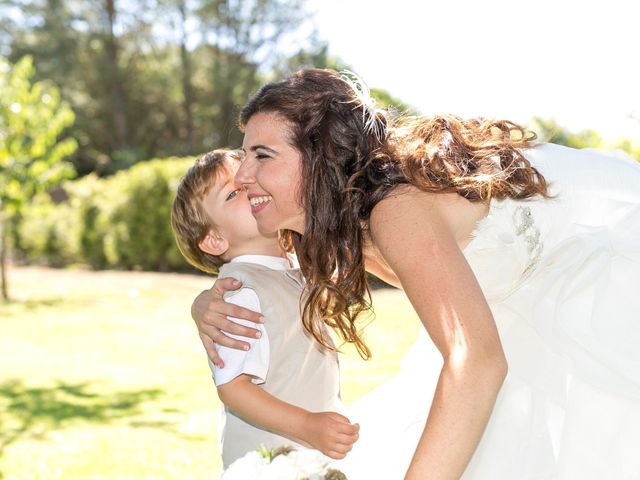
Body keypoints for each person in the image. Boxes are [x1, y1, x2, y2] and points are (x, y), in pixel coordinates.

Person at [190, 69, 640, 479]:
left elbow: (477, 362)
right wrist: (204, 303)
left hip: (609, 300)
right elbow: (266, 273)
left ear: (319, 158)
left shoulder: (394, 211)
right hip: (522, 329)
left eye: (261, 155)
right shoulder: (336, 224)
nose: (243, 175)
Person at [170, 148, 359, 471]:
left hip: (310, 456)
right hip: (270, 463)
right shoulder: (239, 292)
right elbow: (233, 388)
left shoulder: (289, 270)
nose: (250, 186)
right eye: (233, 194)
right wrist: (308, 425)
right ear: (215, 240)